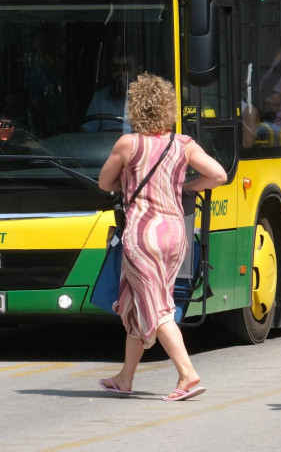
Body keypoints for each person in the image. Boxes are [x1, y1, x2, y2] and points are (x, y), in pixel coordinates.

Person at [97, 72, 226, 401]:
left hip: (143, 236)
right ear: (168, 108)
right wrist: (189, 186)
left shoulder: (128, 144)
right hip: (175, 233)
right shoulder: (183, 144)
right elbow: (219, 175)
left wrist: (128, 184)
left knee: (156, 309)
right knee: (134, 304)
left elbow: (104, 184)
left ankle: (188, 375)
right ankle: (125, 378)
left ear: (136, 109)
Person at [82, 53, 139, 132]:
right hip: (106, 142)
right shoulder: (100, 97)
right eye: (116, 69)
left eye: (126, 68)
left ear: (137, 69)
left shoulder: (145, 98)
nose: (121, 73)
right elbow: (87, 130)